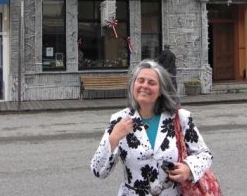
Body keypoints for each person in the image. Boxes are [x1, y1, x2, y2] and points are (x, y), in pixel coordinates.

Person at [90, 60, 213, 196]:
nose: (145, 86)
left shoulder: (179, 118)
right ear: (133, 85)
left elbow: (204, 154)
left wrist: (188, 169)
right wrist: (113, 139)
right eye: (140, 80)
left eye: (152, 83)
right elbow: (98, 171)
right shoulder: (119, 120)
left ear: (161, 90)